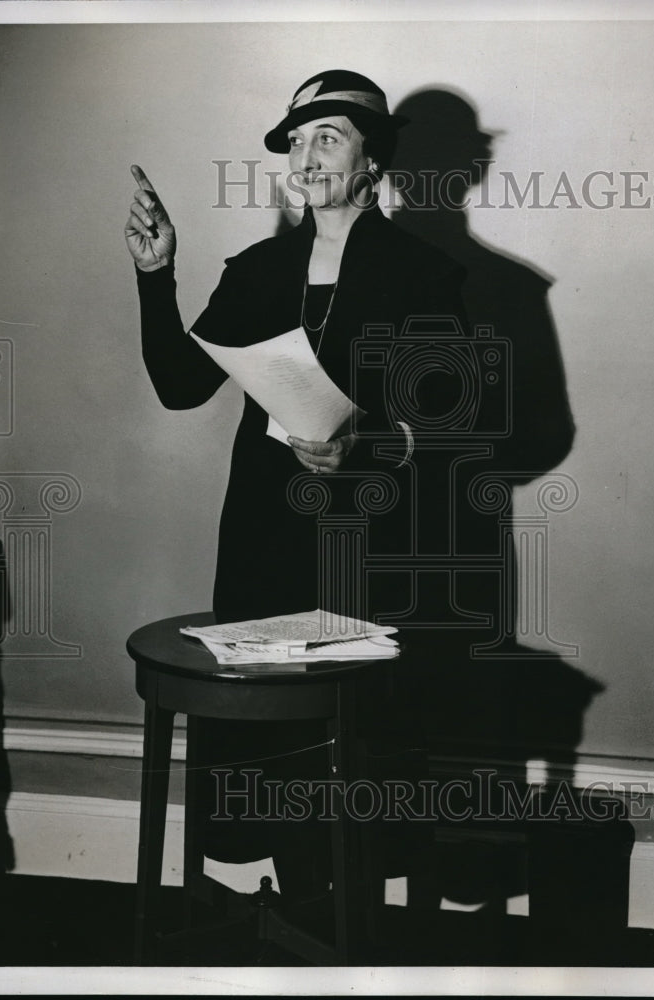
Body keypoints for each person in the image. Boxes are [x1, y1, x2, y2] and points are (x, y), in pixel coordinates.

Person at [124, 70, 472, 900]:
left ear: (371, 162)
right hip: (263, 541)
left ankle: (341, 932)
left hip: (373, 542)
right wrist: (154, 275)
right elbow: (180, 386)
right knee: (267, 741)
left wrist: (379, 444)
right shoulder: (257, 268)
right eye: (298, 140)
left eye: (330, 138)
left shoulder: (424, 273)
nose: (308, 156)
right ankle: (297, 920)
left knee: (353, 744)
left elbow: (470, 420)